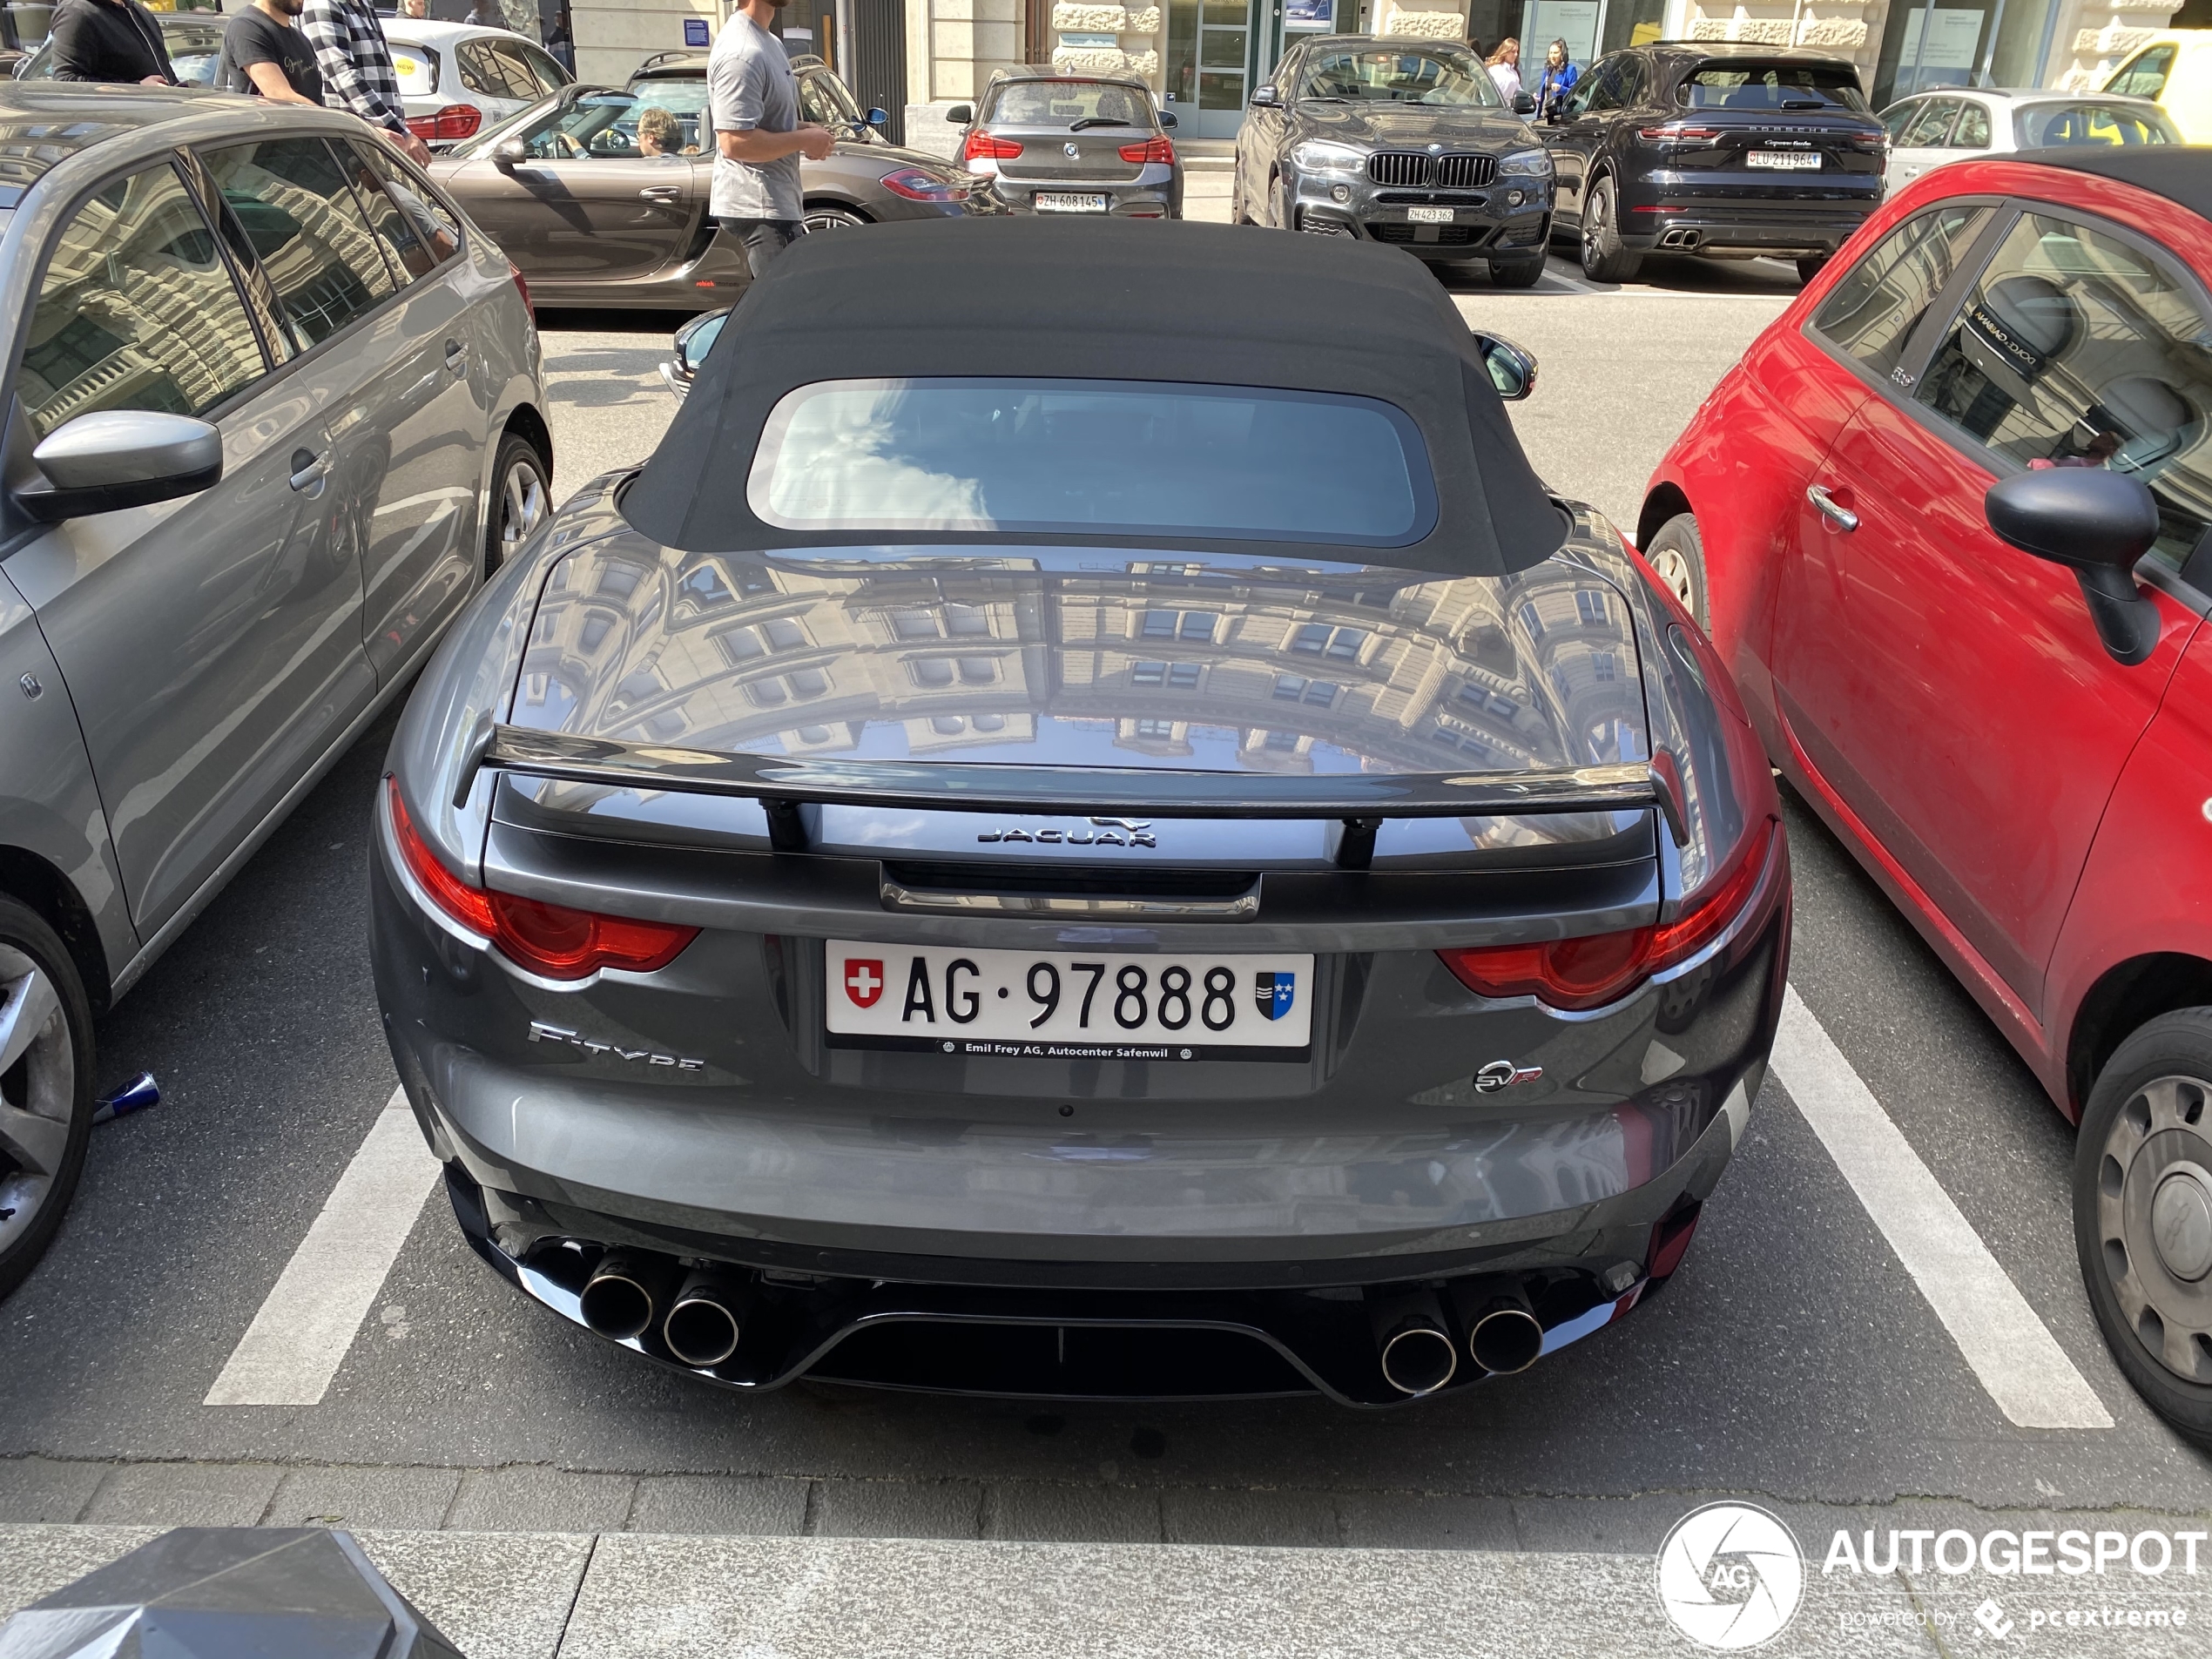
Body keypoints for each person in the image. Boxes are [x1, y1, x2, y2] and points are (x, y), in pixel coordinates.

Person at [709, 0, 833, 280]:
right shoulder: (742, 53)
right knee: (783, 315)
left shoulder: (769, 42)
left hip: (775, 205)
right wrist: (802, 139)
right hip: (760, 208)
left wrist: (805, 131)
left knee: (782, 311)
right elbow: (734, 141)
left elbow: (764, 119)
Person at [304, 0, 433, 164]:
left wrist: (399, 131)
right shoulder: (323, 4)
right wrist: (399, 131)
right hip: (351, 146)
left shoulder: (364, 4)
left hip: (379, 142)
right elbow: (342, 73)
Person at [218, 0, 325, 104]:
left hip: (310, 121)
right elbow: (280, 97)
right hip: (273, 121)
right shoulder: (246, 26)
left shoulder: (299, 36)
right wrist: (331, 119)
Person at [46, 0, 176, 84]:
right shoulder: (76, 13)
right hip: (122, 121)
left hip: (165, 114)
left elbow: (163, 71)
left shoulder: (139, 11)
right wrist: (138, 87)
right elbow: (66, 80)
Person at [1535, 38, 1577, 117]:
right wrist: (1537, 97)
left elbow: (1575, 94)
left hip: (1559, 115)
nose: (1552, 56)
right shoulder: (1547, 70)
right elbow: (1546, 93)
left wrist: (1561, 89)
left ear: (1562, 54)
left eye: (1555, 53)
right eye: (1551, 53)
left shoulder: (1570, 70)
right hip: (1544, 114)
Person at [1486, 37, 1521, 105]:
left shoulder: (1514, 72)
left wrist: (1531, 97)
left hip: (1507, 109)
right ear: (1505, 52)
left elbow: (1518, 90)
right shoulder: (1494, 70)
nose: (1516, 55)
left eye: (1517, 52)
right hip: (1493, 107)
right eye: (1513, 52)